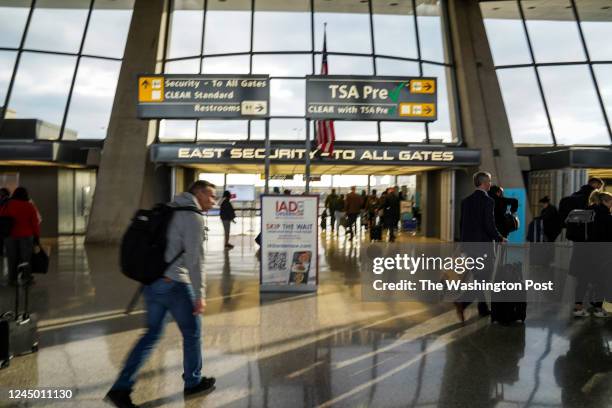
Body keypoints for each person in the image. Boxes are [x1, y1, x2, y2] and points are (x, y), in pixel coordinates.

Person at [105, 180, 217, 408]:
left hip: (153, 283)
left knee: (151, 335)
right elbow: (195, 262)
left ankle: (121, 387)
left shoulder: (168, 209)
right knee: (192, 333)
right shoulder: (192, 216)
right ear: (198, 193)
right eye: (211, 196)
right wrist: (200, 295)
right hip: (175, 284)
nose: (214, 201)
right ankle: (193, 382)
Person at [457, 172, 506, 322]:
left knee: (479, 277)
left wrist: (463, 245)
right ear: (484, 183)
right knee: (483, 278)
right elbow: (488, 225)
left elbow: (462, 224)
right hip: (483, 247)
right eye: (489, 181)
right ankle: (463, 302)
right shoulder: (488, 201)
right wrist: (499, 238)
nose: (490, 184)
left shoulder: (466, 201)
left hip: (469, 247)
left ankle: (483, 308)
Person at [572, 191, 612, 318]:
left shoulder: (584, 213)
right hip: (601, 254)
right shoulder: (606, 216)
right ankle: (598, 309)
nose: (611, 205)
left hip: (582, 252)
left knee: (582, 281)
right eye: (610, 202)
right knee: (600, 281)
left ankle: (578, 307)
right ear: (604, 201)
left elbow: (573, 232)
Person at [1, 187, 40, 286]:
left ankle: (12, 280)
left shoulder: (8, 204)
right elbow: (34, 223)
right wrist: (37, 236)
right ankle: (27, 278)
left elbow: (2, 216)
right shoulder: (29, 206)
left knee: (11, 258)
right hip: (26, 236)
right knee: (26, 258)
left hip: (10, 236)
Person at [560, 177, 604, 242]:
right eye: (598, 187)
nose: (599, 189)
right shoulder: (590, 197)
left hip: (573, 230)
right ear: (594, 184)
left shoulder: (575, 195)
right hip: (585, 231)